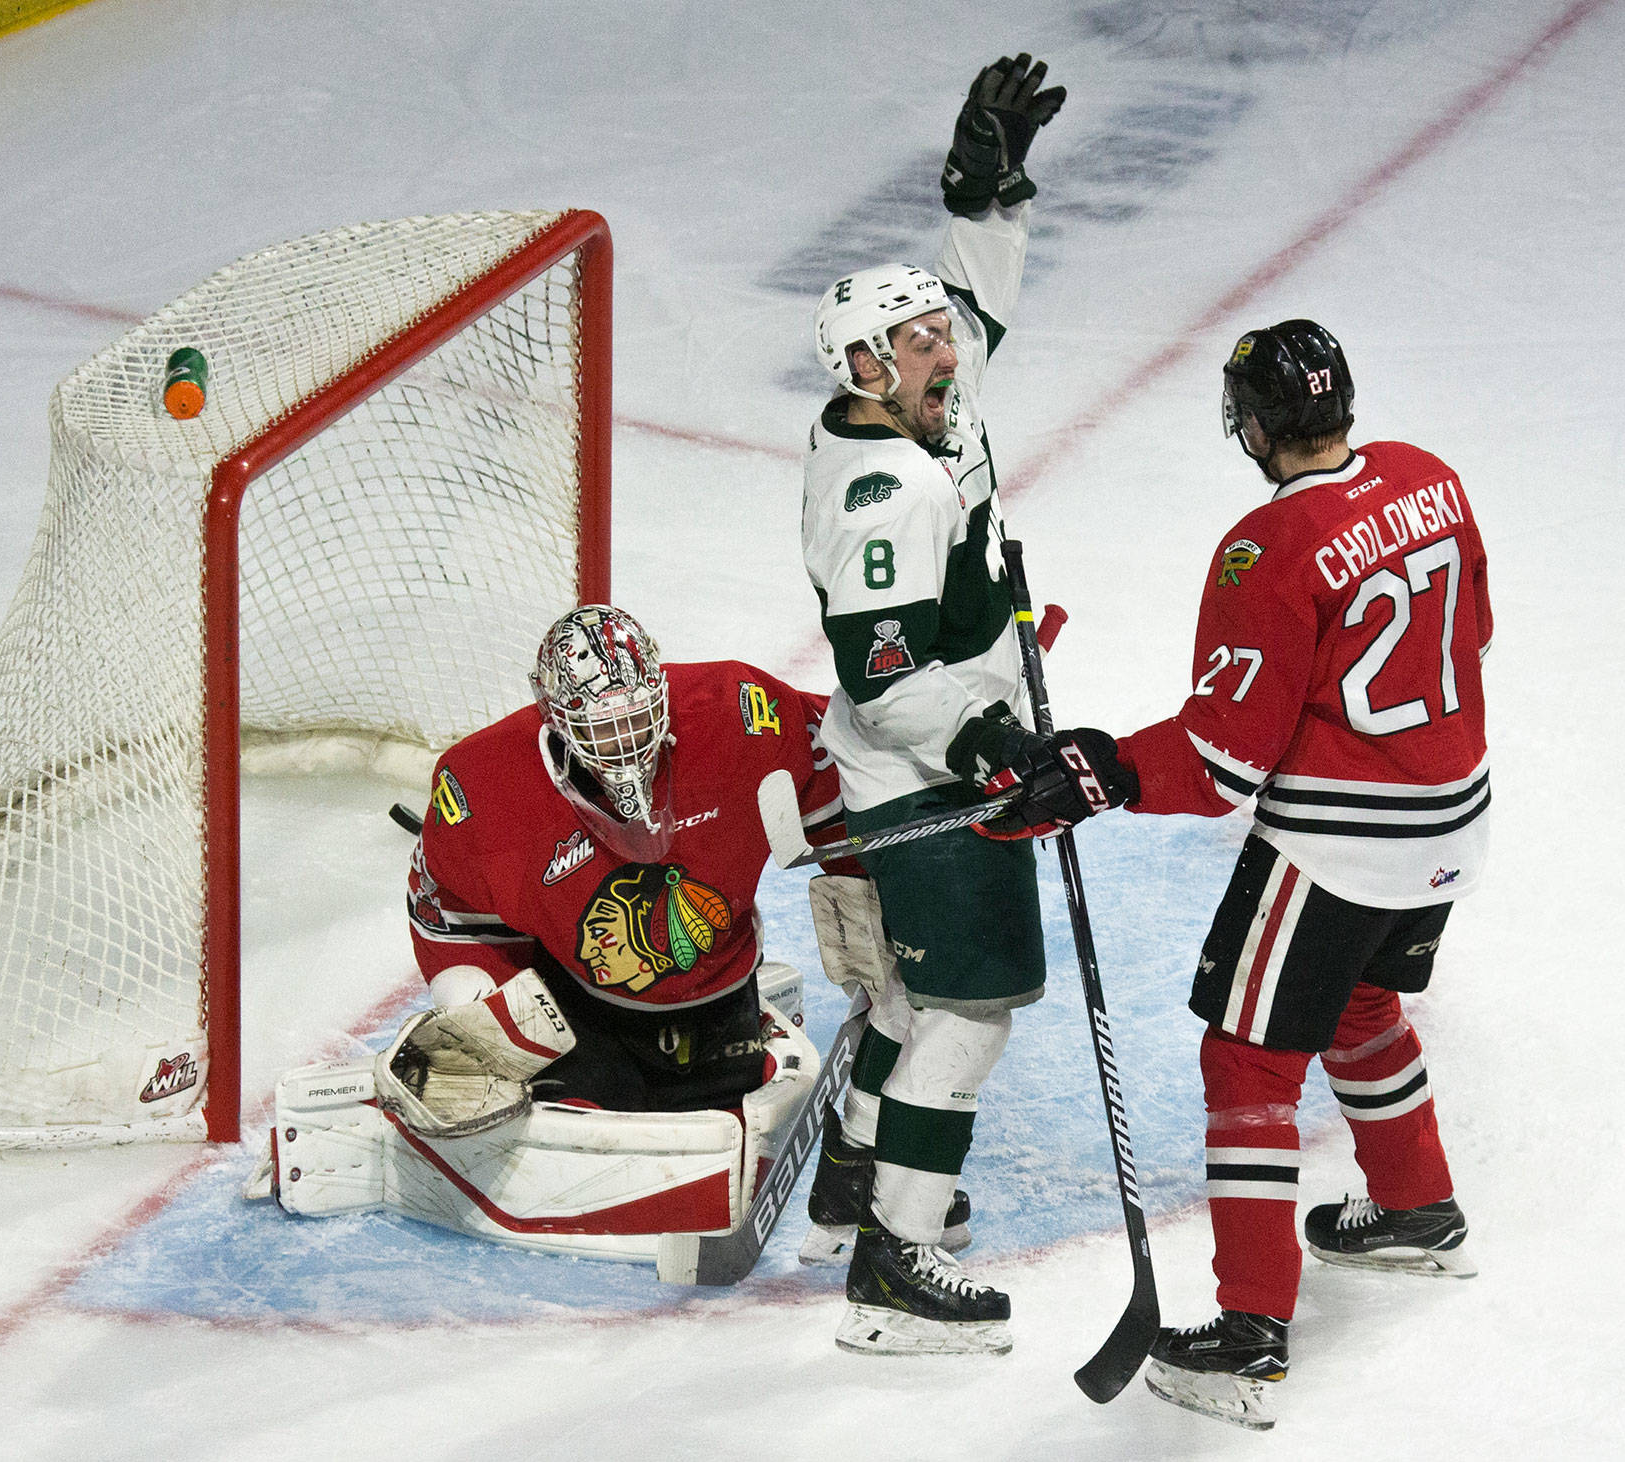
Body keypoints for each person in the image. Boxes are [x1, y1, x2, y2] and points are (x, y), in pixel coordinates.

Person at [980, 320, 1492, 1427]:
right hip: (1451, 825)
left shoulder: (1265, 550)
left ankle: (1249, 1332)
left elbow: (1222, 764)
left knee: (1247, 1063)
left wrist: (1100, 769)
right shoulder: (1430, 481)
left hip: (1338, 847)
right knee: (1357, 1001)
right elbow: (1470, 637)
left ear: (1252, 424)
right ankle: (1415, 1208)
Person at [253, 604, 853, 1261]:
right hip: (575, 1008)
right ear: (554, 717)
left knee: (710, 1121)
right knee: (469, 1076)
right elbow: (442, 911)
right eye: (604, 727)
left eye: (637, 718)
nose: (626, 745)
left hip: (718, 1002)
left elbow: (848, 771)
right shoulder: (482, 785)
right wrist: (479, 1019)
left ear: (662, 691)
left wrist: (865, 889)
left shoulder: (743, 711)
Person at [798, 53, 1067, 1357]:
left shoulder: (923, 400)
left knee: (909, 1005)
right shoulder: (879, 496)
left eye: (935, 334)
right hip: (924, 768)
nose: (942, 346)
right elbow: (883, 677)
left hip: (940, 748)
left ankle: (854, 1180)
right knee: (966, 1014)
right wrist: (992, 741)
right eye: (915, 340)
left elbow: (980, 302)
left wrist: (985, 192)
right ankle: (894, 1267)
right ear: (862, 365)